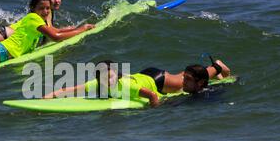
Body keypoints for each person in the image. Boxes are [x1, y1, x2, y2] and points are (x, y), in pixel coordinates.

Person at [44, 59, 231, 107]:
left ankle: (217, 67)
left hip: (157, 81)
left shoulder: (127, 87)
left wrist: (156, 109)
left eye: (110, 76)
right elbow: (69, 89)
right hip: (143, 74)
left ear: (116, 76)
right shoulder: (96, 84)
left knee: (183, 82)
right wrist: (49, 97)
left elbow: (151, 95)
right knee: (181, 76)